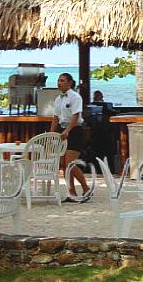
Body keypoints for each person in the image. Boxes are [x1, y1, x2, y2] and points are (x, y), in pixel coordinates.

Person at [51, 73, 91, 201]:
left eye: (62, 81)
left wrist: (68, 130)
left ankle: (86, 189)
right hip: (63, 130)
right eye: (58, 81)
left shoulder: (75, 97)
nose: (59, 83)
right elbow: (55, 118)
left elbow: (75, 116)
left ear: (69, 83)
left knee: (70, 163)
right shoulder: (58, 99)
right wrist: (51, 135)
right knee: (63, 163)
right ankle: (71, 192)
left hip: (75, 130)